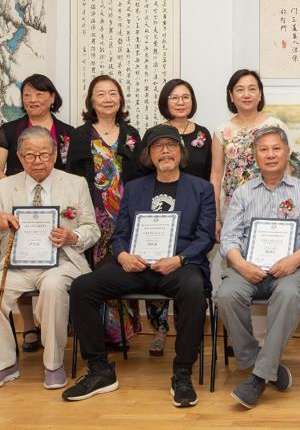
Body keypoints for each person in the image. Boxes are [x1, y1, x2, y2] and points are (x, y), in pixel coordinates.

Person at [63, 125, 215, 407]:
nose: (165, 151)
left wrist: (179, 260)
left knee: (194, 288)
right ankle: (100, 370)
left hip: (178, 266)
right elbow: (120, 234)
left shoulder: (201, 188)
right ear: (149, 154)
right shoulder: (133, 189)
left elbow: (205, 236)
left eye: (171, 145)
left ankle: (182, 372)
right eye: (158, 146)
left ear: (181, 152)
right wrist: (122, 256)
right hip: (136, 265)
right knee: (83, 287)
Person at [0, 126, 99, 391]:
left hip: (62, 261)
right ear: (19, 158)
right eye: (30, 155)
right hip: (17, 264)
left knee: (53, 287)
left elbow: (92, 229)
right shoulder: (1, 189)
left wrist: (72, 237)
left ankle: (53, 364)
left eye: (44, 154)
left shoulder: (75, 184)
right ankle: (3, 363)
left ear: (55, 155)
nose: (38, 161)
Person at [215, 126, 300, 408]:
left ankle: (258, 377)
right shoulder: (243, 193)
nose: (271, 154)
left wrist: (295, 259)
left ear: (287, 152)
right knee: (226, 295)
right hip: (248, 268)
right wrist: (240, 263)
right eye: (264, 149)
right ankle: (263, 365)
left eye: (277, 148)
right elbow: (229, 237)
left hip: (291, 268)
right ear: (255, 156)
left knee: (288, 295)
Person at [0, 73, 75, 352]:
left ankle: (55, 331)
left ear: (52, 97)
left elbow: (70, 174)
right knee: (19, 261)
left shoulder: (67, 132)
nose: (33, 100)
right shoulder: (10, 129)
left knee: (53, 273)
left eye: (39, 94)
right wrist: (16, 196)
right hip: (18, 208)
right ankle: (28, 326)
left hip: (56, 207)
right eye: (27, 94)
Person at [65, 75, 145, 350]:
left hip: (126, 212)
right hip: (93, 212)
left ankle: (122, 333)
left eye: (113, 93)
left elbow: (141, 175)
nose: (108, 99)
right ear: (91, 101)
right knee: (96, 270)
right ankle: (99, 332)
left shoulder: (132, 134)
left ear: (120, 99)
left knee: (124, 266)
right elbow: (72, 176)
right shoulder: (80, 134)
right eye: (101, 94)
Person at [142, 79, 214, 354]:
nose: (181, 102)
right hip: (159, 210)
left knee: (188, 273)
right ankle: (159, 328)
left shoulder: (204, 135)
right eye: (174, 97)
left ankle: (187, 330)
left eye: (186, 96)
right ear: (165, 101)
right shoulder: (155, 133)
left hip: (195, 209)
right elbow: (145, 174)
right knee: (155, 263)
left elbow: (210, 173)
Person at [210, 69, 288, 234]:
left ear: (260, 94)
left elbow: (286, 169)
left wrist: (288, 205)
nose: (246, 94)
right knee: (235, 254)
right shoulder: (222, 131)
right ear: (231, 96)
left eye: (252, 89)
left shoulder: (276, 126)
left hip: (273, 204)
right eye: (240, 89)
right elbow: (216, 176)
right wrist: (215, 217)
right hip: (233, 209)